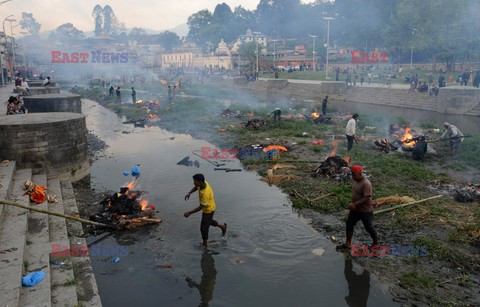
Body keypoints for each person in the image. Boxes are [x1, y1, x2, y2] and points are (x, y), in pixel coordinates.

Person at [339, 165, 378, 250]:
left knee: (368, 227)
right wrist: (354, 205)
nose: (352, 177)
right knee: (349, 224)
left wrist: (355, 204)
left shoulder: (366, 183)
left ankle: (375, 243)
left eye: (354, 175)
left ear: (359, 174)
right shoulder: (357, 181)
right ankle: (348, 243)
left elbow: (367, 197)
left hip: (365, 211)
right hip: (355, 210)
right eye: (352, 174)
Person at [184, 174, 227, 248]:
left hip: (208, 210)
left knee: (203, 228)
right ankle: (222, 227)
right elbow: (196, 187)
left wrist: (189, 213)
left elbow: (201, 206)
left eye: (195, 181)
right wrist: (189, 193)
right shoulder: (203, 183)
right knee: (208, 221)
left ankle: (205, 243)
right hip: (211, 206)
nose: (193, 183)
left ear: (200, 181)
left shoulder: (205, 193)